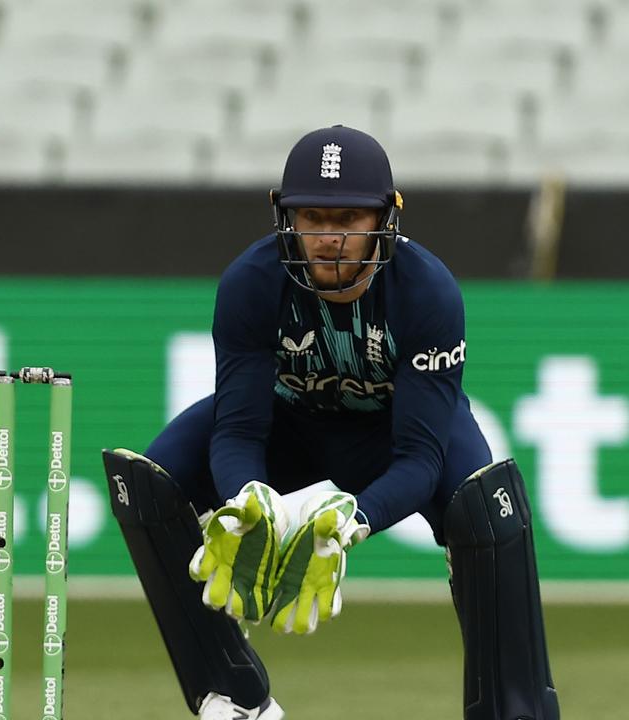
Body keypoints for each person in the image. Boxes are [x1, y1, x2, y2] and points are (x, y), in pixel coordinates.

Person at [103, 126, 560, 720]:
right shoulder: (251, 283)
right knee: (146, 481)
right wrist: (252, 501)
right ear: (284, 216)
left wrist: (354, 520)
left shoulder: (428, 292)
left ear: (386, 218)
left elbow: (420, 459)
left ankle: (516, 712)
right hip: (289, 430)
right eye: (312, 217)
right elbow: (239, 430)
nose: (330, 239)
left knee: (488, 505)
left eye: (349, 217)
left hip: (392, 437)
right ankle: (235, 700)